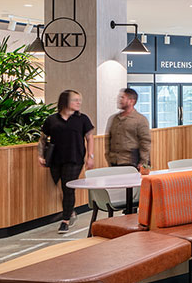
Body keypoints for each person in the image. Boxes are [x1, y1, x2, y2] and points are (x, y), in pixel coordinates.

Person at [39, 90, 95, 234]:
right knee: (58, 185)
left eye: (79, 100)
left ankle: (65, 221)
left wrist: (90, 156)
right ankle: (70, 211)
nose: (79, 103)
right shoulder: (52, 120)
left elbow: (89, 137)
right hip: (55, 159)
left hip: (75, 159)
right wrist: (40, 155)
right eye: (75, 100)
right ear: (65, 102)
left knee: (68, 187)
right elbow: (43, 139)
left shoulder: (83, 119)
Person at [105, 88, 151, 173]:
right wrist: (108, 157)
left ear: (131, 101)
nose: (119, 100)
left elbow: (145, 143)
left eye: (123, 97)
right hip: (114, 162)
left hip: (131, 163)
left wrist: (144, 163)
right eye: (119, 97)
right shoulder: (114, 118)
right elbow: (108, 140)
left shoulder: (140, 119)